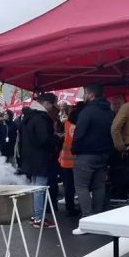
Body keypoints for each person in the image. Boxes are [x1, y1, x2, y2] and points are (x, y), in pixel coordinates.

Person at [71, 84, 115, 234]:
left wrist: (74, 149)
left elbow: (79, 134)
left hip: (86, 154)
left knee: (81, 186)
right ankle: (97, 218)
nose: (83, 97)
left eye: (85, 93)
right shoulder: (110, 112)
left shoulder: (87, 111)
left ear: (90, 95)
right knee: (99, 186)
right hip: (104, 154)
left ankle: (87, 220)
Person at [19, 93, 58, 229]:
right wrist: (57, 139)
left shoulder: (29, 116)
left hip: (30, 157)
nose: (53, 108)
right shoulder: (41, 118)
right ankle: (38, 218)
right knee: (40, 188)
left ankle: (35, 215)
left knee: (35, 187)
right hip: (40, 157)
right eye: (53, 104)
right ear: (46, 103)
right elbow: (44, 139)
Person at [59, 106, 81, 217]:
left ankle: (70, 207)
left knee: (68, 186)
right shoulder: (81, 126)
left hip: (64, 158)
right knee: (80, 186)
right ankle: (80, 207)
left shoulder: (66, 123)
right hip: (76, 158)